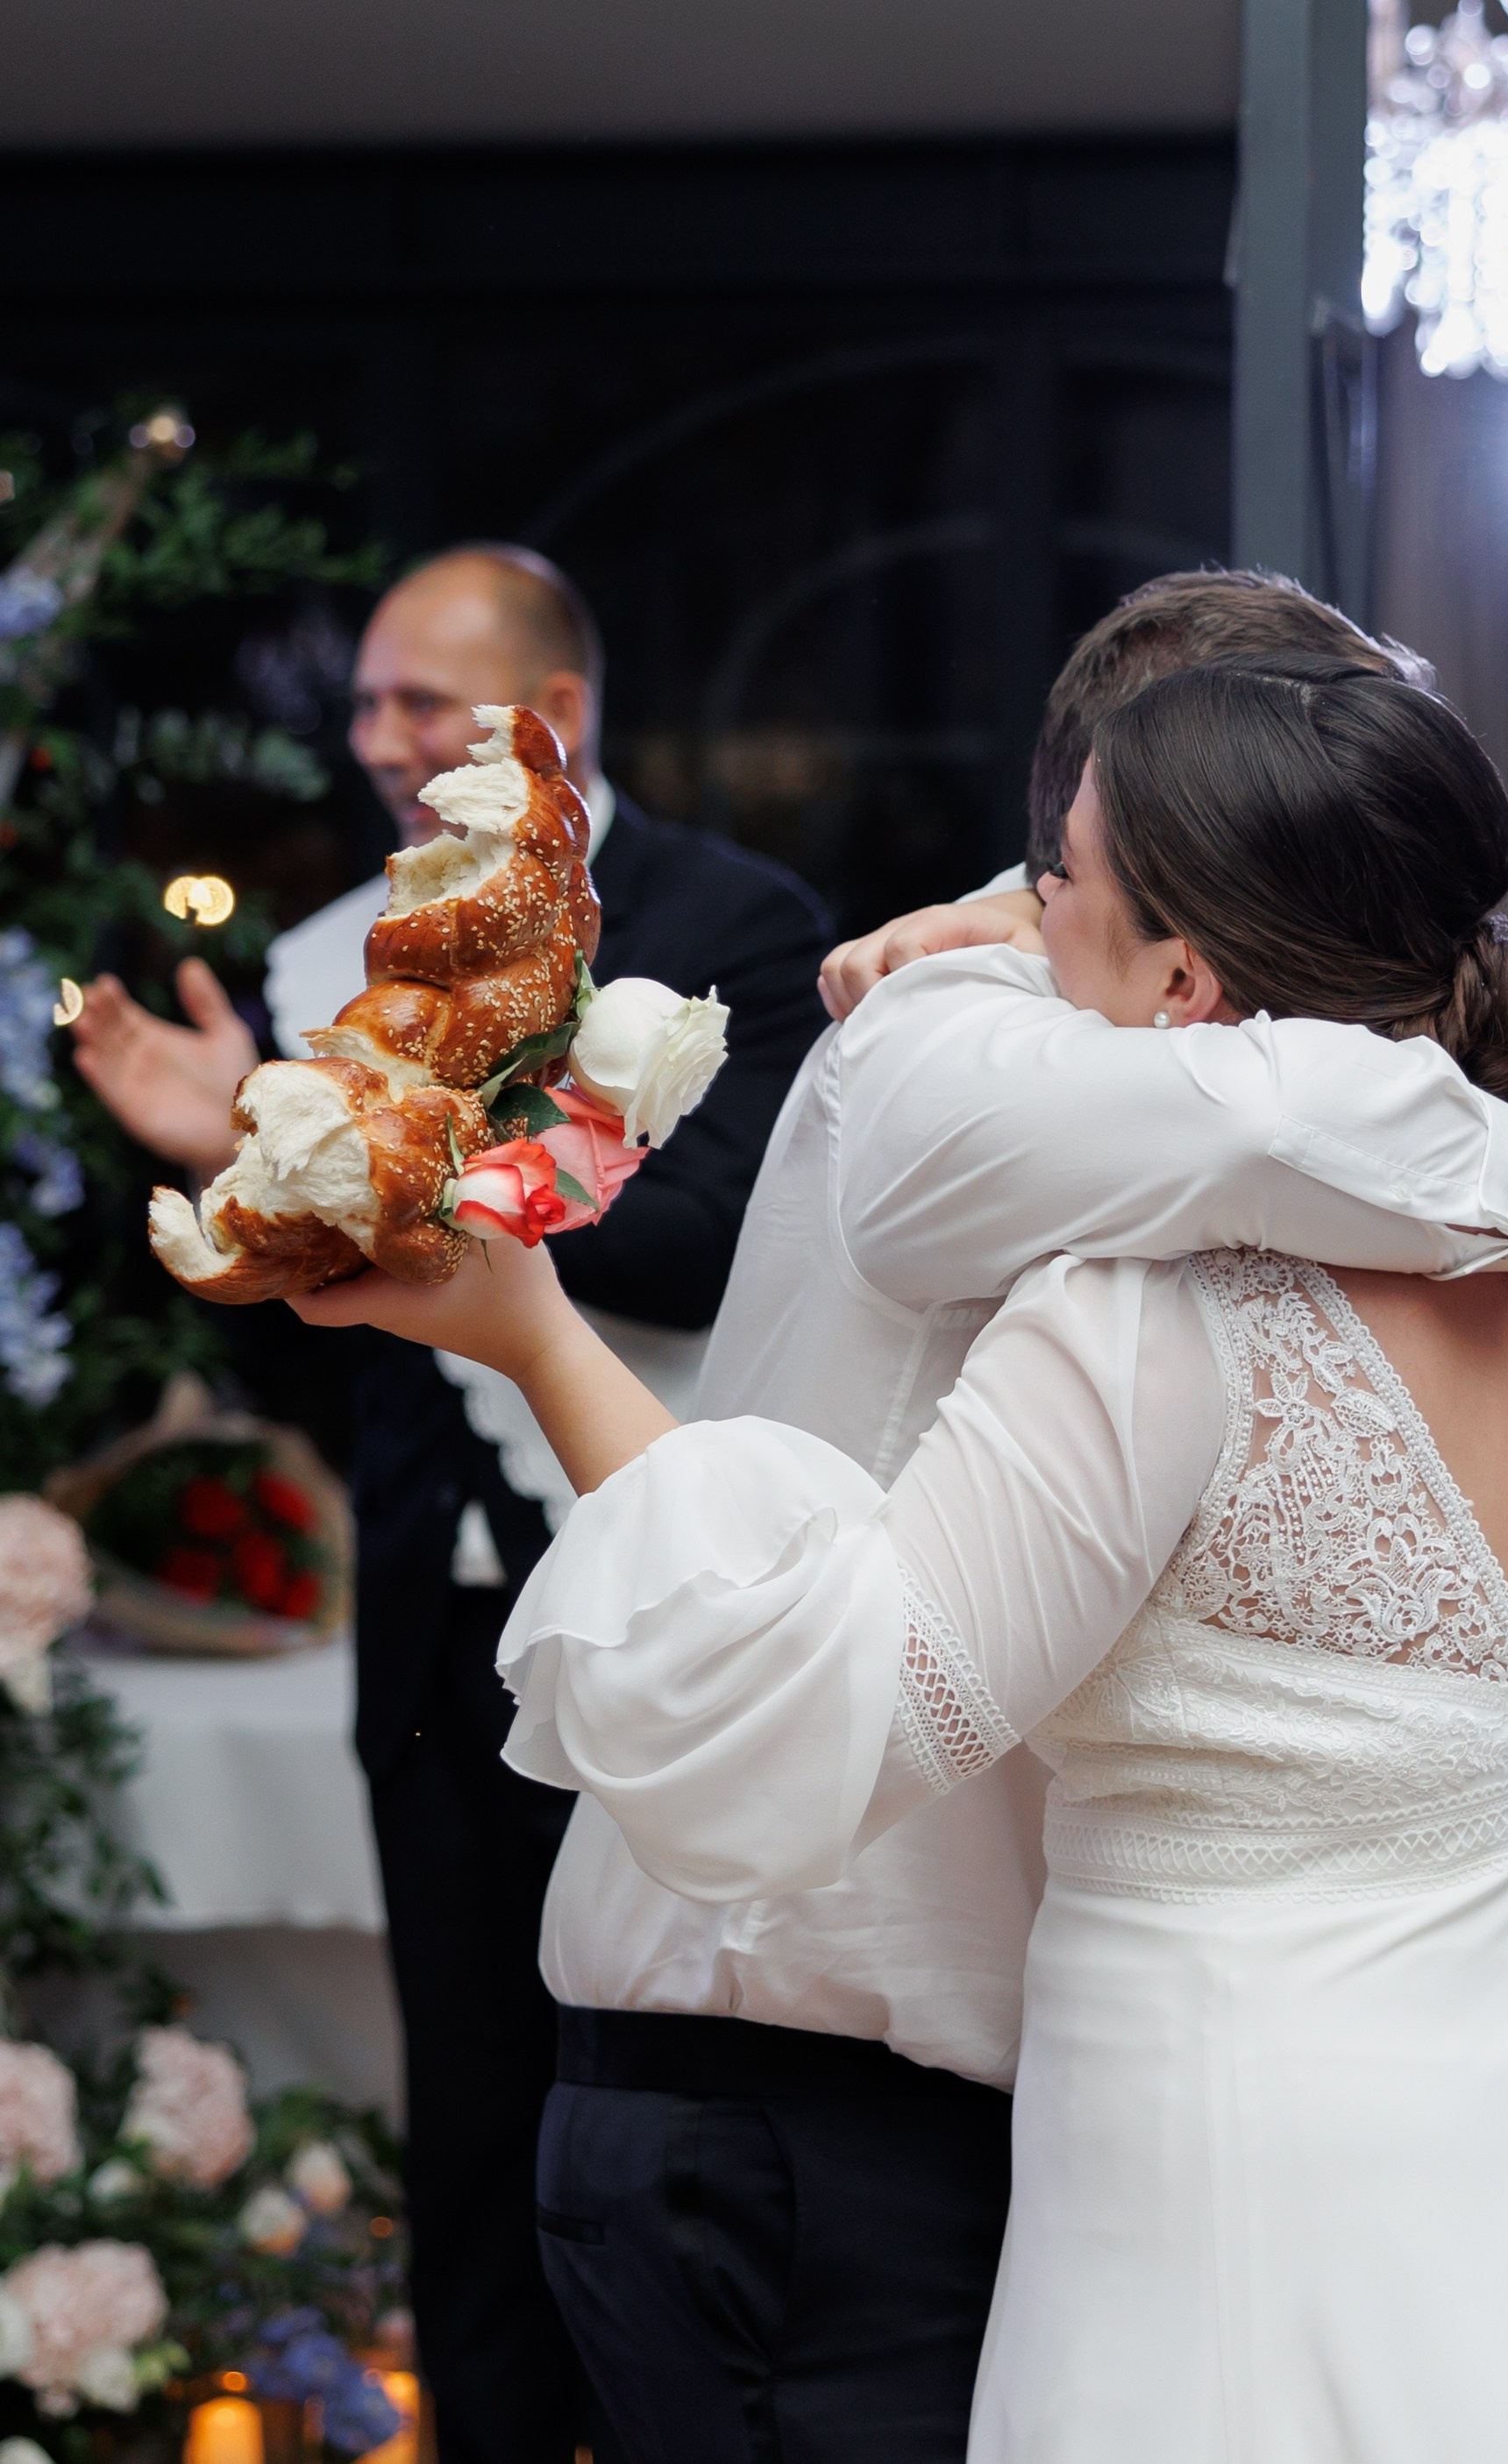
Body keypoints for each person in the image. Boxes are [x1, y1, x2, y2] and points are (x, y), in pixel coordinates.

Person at [303, 572, 1508, 2464]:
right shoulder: (956, 1046)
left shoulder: (1307, 1228)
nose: (1022, 898)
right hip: (808, 2105)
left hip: (1166, 2152)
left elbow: (1501, 1664)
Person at [69, 544, 830, 2464]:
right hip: (437, 1630)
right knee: (478, 2132)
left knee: (686, 2124)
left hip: (679, 1600)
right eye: (370, 705)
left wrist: (397, 1174)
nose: (377, 740)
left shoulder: (737, 923)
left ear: (543, 722)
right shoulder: (331, 960)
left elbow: (738, 1228)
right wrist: (238, 1168)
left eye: (424, 703)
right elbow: (295, 1353)